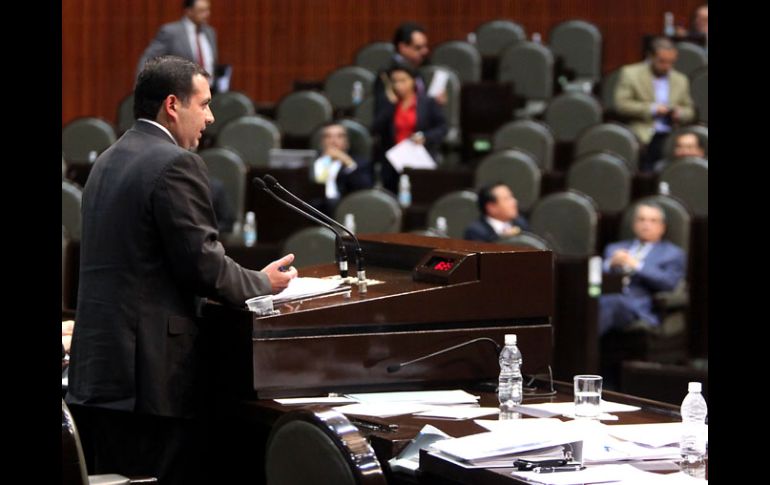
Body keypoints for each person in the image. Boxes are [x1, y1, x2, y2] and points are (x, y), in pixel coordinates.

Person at [66, 55, 298, 485]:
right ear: (173, 105)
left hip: (99, 372)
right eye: (204, 104)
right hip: (148, 380)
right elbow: (203, 266)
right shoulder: (175, 163)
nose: (210, 117)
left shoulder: (107, 161)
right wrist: (263, 282)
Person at [598, 202, 685, 336]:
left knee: (610, 300)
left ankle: (580, 352)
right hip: (602, 296)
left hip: (635, 307)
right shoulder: (614, 248)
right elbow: (594, 277)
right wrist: (610, 264)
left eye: (652, 220)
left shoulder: (672, 253)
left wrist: (636, 264)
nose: (646, 224)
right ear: (634, 225)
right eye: (641, 219)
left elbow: (669, 283)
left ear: (662, 227)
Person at [614, 37, 695, 172]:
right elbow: (621, 105)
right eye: (662, 62)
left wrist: (679, 113)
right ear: (651, 57)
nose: (667, 67)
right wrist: (652, 109)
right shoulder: (630, 73)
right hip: (643, 133)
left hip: (672, 134)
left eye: (671, 62)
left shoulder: (681, 79)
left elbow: (690, 111)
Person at [372, 64, 447, 194]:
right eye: (394, 81)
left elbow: (442, 127)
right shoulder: (387, 104)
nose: (398, 85)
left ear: (413, 81)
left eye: (403, 80)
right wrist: (390, 106)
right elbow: (375, 129)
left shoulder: (428, 102)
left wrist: (425, 136)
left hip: (419, 158)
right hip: (393, 161)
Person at [136, 0, 217, 87]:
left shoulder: (210, 32)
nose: (207, 14)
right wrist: (141, 86)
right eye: (201, 11)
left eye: (207, 10)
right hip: (181, 91)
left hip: (209, 89)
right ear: (188, 11)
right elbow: (148, 58)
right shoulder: (171, 32)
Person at [311, 121, 373, 215]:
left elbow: (364, 189)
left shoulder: (359, 164)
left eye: (339, 136)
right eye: (328, 136)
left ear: (347, 142)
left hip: (346, 209)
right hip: (314, 209)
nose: (334, 141)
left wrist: (346, 161)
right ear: (322, 142)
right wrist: (324, 161)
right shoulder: (312, 163)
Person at [464, 183, 529, 242]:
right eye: (507, 199)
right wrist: (503, 239)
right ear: (491, 207)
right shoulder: (476, 232)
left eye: (512, 197)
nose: (514, 202)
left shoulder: (521, 223)